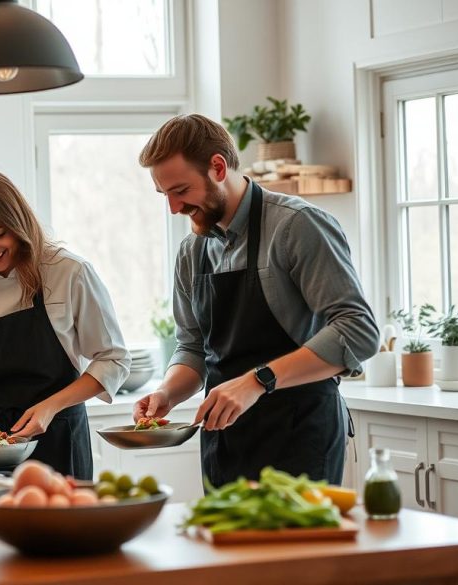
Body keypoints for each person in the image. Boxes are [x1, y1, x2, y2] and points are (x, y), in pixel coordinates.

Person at [132, 114, 378, 487]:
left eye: (180, 191)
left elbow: (358, 332)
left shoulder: (298, 226)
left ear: (217, 167)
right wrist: (167, 392)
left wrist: (257, 381)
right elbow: (192, 348)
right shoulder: (192, 250)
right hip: (225, 442)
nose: (173, 208)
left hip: (300, 435)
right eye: (164, 194)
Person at [0, 172, 129, 480]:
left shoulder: (68, 272)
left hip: (60, 436)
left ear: (18, 223)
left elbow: (113, 361)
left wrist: (51, 406)